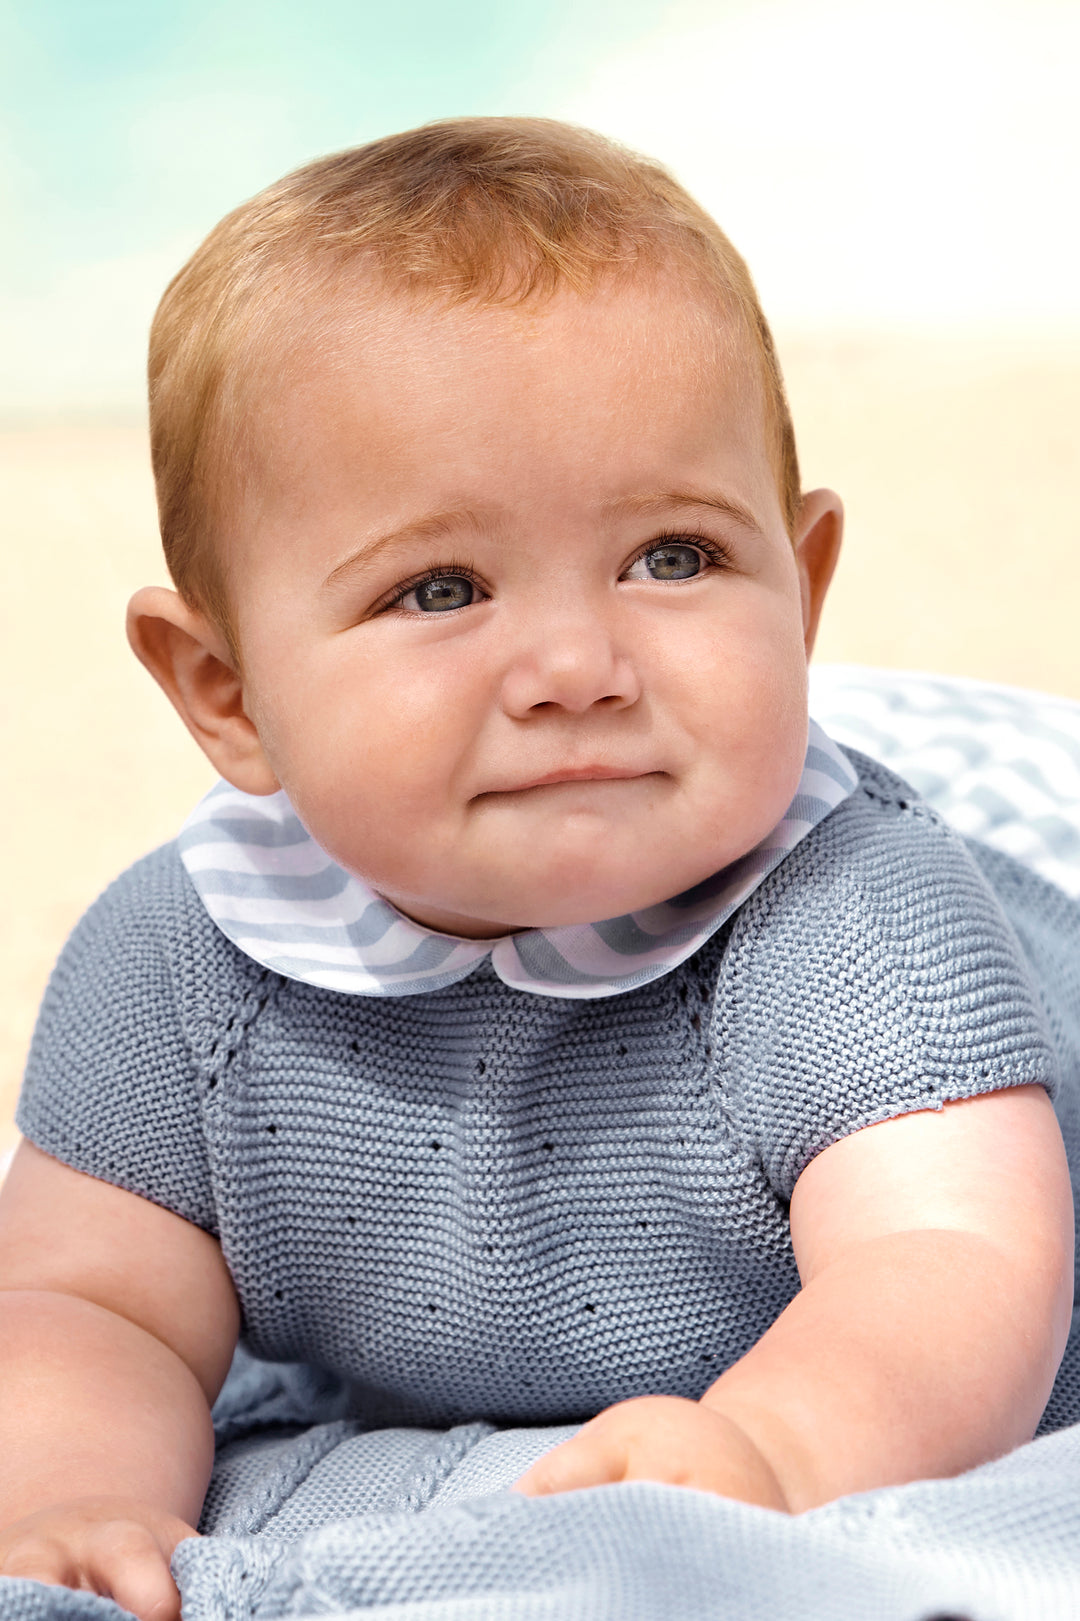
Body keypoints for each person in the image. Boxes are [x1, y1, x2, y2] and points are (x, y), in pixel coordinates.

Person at [1, 118, 1077, 1621]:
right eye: (439, 587)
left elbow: (951, 1254)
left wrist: (773, 1444)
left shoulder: (857, 914)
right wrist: (68, 1494)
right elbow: (89, 1298)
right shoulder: (181, 960)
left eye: (674, 557)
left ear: (805, 583)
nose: (577, 665)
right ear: (228, 692)